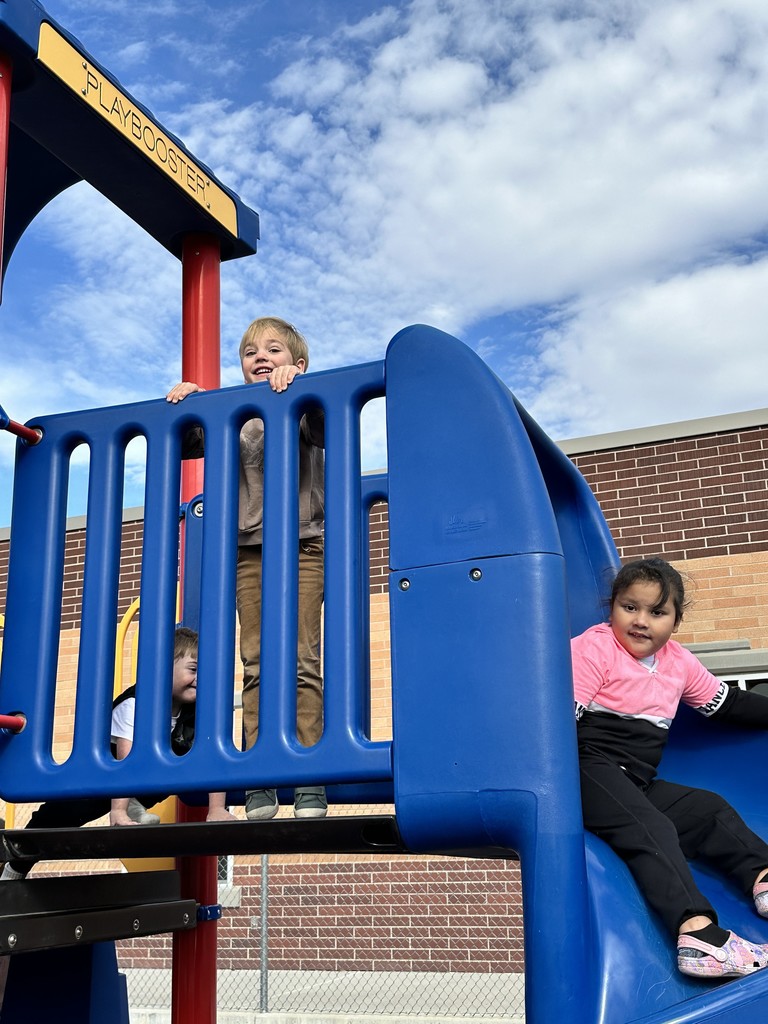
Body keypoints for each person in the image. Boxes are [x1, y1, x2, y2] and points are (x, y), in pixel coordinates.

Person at [572, 556, 768, 979]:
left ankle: (762, 876)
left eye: (657, 612)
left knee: (708, 809)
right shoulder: (594, 647)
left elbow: (727, 704)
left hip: (637, 780)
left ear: (675, 622)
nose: (641, 621)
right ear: (613, 609)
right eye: (630, 607)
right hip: (586, 768)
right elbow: (555, 722)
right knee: (651, 827)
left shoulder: (678, 663)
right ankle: (698, 935)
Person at [167, 316, 327, 821]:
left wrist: (301, 391)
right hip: (249, 552)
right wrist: (193, 402)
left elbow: (324, 426)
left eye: (274, 350)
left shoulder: (304, 407)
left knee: (301, 660)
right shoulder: (234, 418)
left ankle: (307, 777)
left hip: (302, 548)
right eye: (250, 351)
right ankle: (259, 777)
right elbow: (188, 438)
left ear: (296, 364)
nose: (260, 357)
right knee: (255, 661)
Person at [0, 626, 234, 881]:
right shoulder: (135, 705)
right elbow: (125, 763)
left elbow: (213, 758)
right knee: (56, 820)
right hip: (98, 780)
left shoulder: (196, 714)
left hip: (139, 783)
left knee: (186, 757)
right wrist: (119, 813)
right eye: (193, 669)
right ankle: (14, 868)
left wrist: (216, 809)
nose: (200, 678)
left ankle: (133, 803)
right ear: (165, 670)